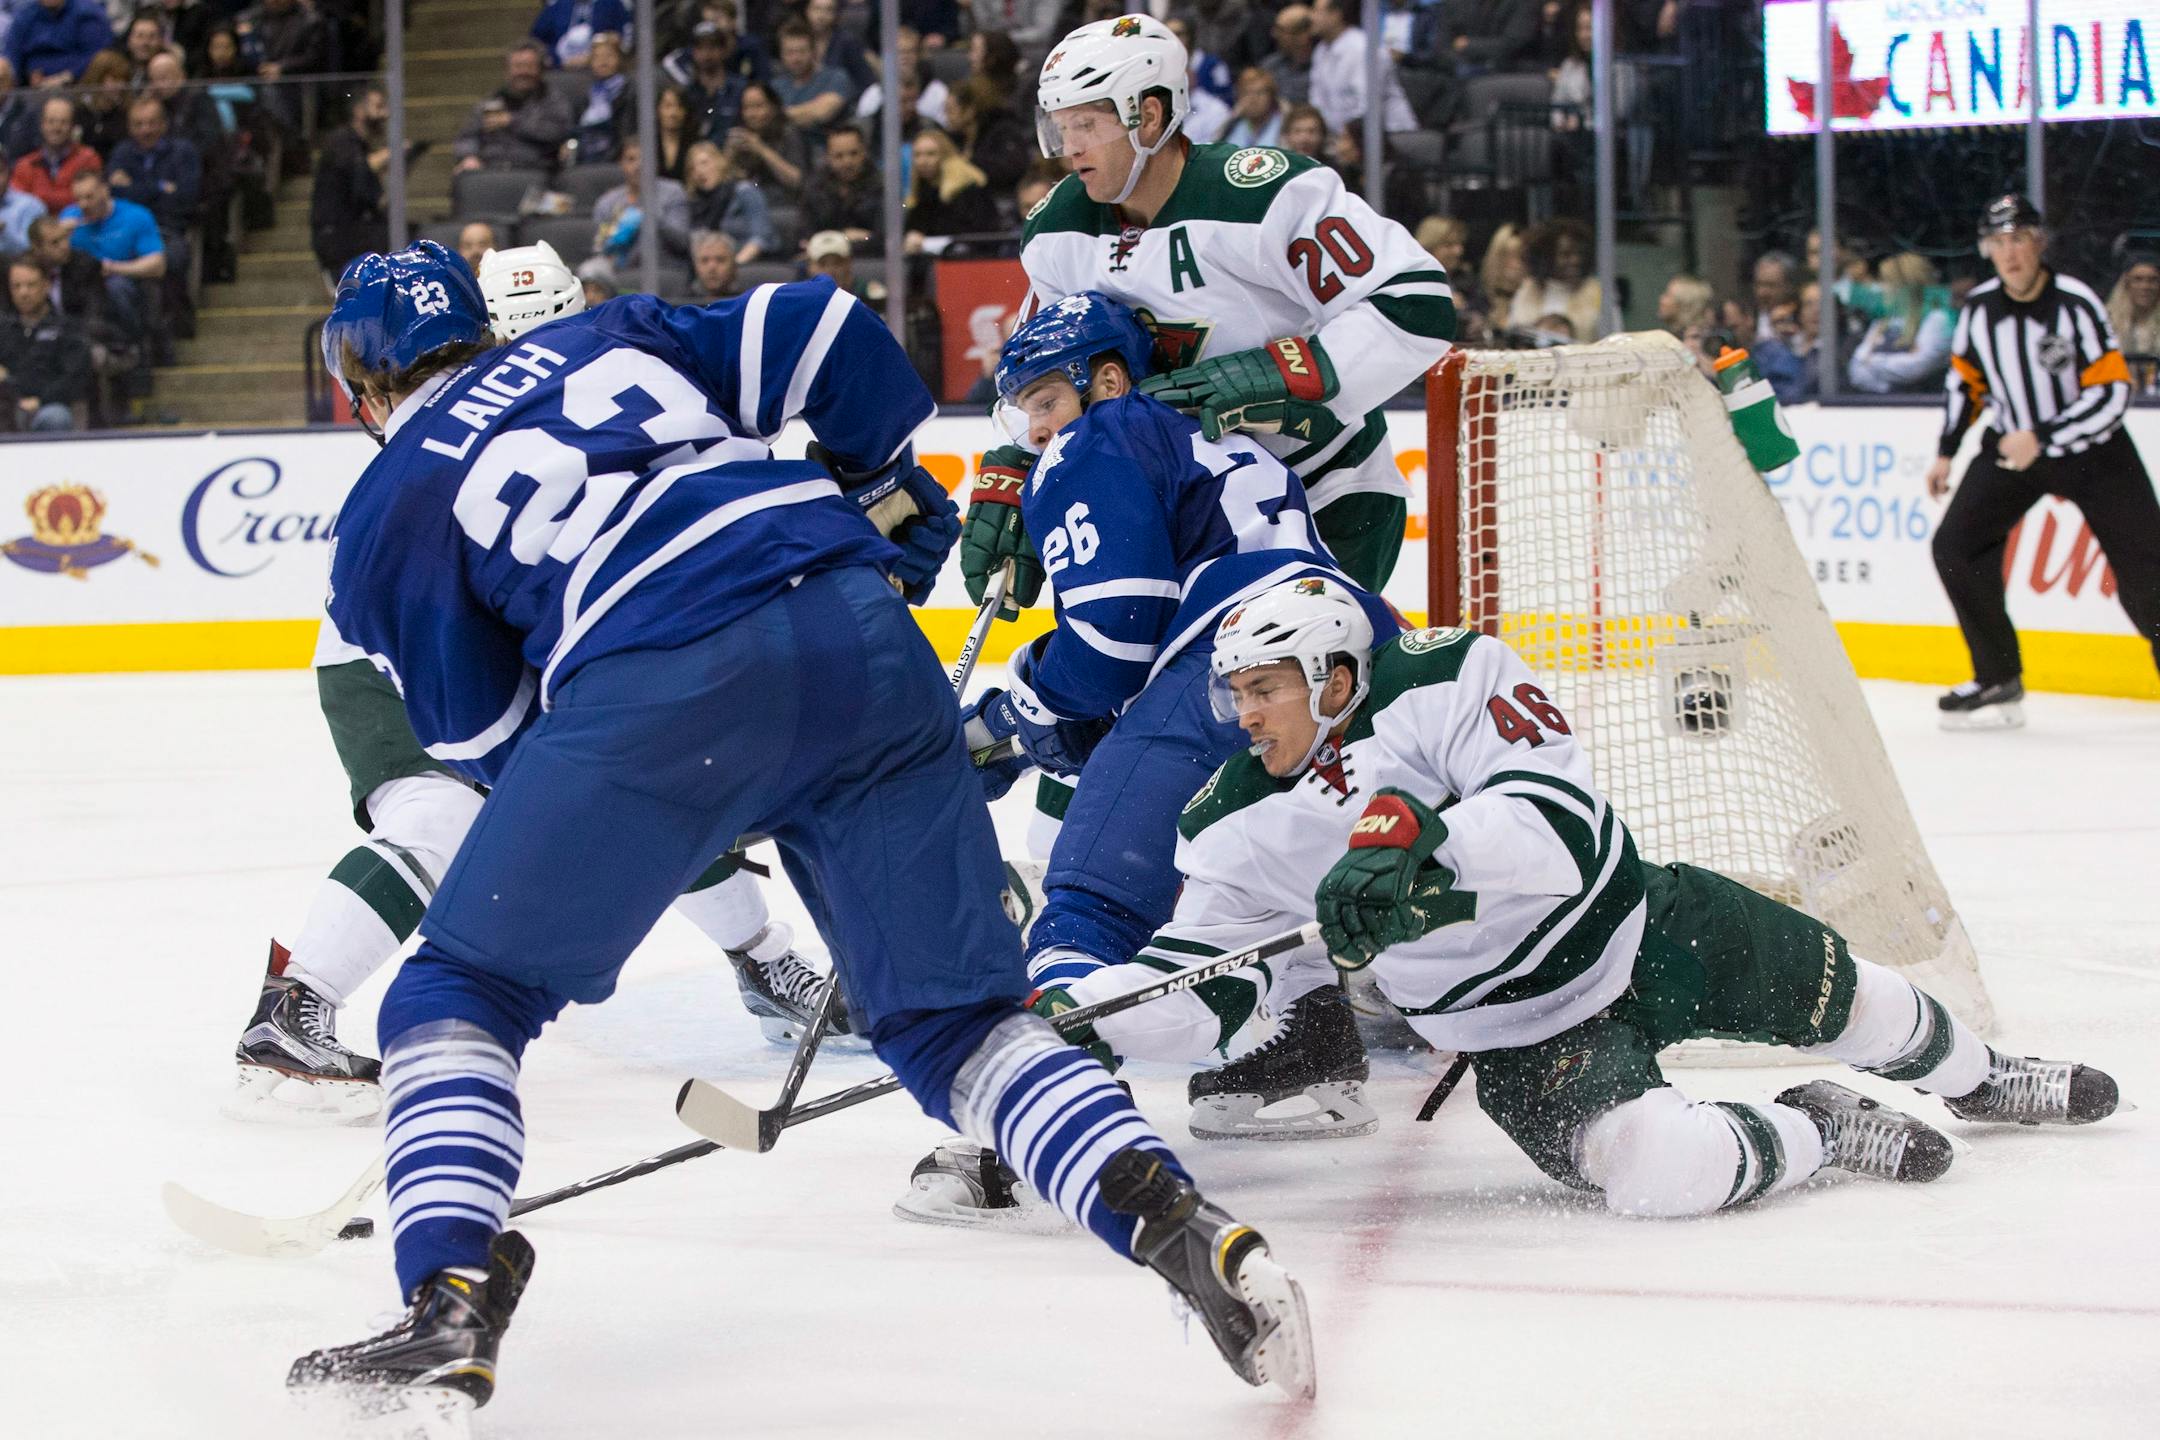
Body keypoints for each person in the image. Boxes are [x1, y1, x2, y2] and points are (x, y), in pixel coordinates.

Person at [286, 241, 1312, 1418]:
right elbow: (829, 330)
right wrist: (862, 483)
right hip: (865, 638)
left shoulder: (380, 513)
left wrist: (679, 802)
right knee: (959, 1026)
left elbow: (490, 744)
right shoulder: (607, 335)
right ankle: (1185, 1226)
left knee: (457, 991)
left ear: (363, 394)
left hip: (655, 691)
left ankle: (448, 1299)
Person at [944, 577, 2120, 1228]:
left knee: (1856, 999)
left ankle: (1981, 1080)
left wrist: (1424, 847)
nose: (1245, 717)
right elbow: (1220, 991)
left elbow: (1559, 827)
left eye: (1266, 690)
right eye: (1235, 694)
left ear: (1337, 679)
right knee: (1661, 1177)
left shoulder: (1454, 673)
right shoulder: (1229, 821)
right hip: (1518, 1040)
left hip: (1642, 923)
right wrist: (1098, 1012)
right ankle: (1819, 1128)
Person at [900, 292, 1401, 1220]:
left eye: (1047, 401)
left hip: (1237, 660)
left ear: (1110, 379)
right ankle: (1305, 1055)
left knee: (1090, 905)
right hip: (1360, 658)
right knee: (1255, 881)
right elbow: (1122, 685)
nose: (1037, 429)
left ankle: (1039, 1126)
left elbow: (1113, 642)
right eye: (1024, 412)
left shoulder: (1109, 432)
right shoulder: (1218, 443)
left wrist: (1000, 719)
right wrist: (1032, 737)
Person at [1007, 15, 1451, 601]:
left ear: (1151, 116)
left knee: (1280, 682)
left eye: (1086, 124)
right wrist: (1016, 473)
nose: (1069, 148)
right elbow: (1039, 373)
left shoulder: (1264, 196)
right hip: (1183, 507)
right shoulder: (1057, 230)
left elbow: (1416, 304)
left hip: (1322, 490)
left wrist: (1276, 371)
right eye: (1061, 127)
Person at [1926, 194, 2160, 725]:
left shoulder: (2075, 303)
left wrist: (2047, 437)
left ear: (2040, 244)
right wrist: (1946, 451)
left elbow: (2112, 392)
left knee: (2149, 572)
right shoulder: (1979, 311)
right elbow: (1967, 385)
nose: (2012, 253)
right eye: (2000, 243)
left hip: (2094, 452)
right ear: (1988, 250)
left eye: (2021, 240)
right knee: (1956, 547)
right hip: (2014, 448)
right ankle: (1997, 676)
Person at [59, 167, 164, 349]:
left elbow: (157, 264)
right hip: (79, 284)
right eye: (78, 199)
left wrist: (114, 267)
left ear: (105, 190)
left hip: (120, 280)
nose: (83, 205)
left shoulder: (135, 215)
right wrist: (59, 237)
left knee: (116, 287)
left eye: (89, 197)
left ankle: (133, 346)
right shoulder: (69, 218)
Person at [309, 85, 388, 292]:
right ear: (359, 111)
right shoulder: (341, 141)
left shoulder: (362, 146)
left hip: (361, 240)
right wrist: (393, 152)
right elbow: (359, 167)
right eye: (378, 107)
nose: (385, 113)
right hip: (339, 245)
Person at [453, 41, 574, 174]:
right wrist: (469, 156)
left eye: (529, 66)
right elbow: (467, 137)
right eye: (517, 66)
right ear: (507, 71)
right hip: (491, 169)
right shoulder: (491, 102)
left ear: (540, 69)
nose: (523, 72)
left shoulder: (553, 100)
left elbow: (557, 133)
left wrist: (512, 121)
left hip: (534, 169)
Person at [0, 254, 90, 430]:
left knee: (55, 418)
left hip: (50, 405)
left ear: (46, 285)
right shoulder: (4, 329)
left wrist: (41, 400)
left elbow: (74, 378)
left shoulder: (68, 329)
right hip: (8, 404)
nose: (23, 292)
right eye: (16, 286)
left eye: (30, 285)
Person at [1846, 251, 1951, 395]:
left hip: (1924, 406)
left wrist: (1872, 361)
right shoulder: (1882, 322)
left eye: (1888, 282)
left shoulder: (1937, 320)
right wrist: (1887, 388)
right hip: (1883, 403)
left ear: (1905, 286)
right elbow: (1856, 369)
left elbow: (1917, 367)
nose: (1883, 288)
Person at [1306, 0, 1416, 136]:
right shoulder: (1321, 50)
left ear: (1336, 15)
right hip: (1342, 138)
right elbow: (1317, 100)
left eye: (1316, 11)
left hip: (1390, 135)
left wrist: (1347, 136)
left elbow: (1368, 106)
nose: (1310, 17)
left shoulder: (1364, 49)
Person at [594, 136, 693, 268]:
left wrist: (650, 218)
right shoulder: (607, 202)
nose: (638, 165)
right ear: (621, 164)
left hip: (663, 270)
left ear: (655, 163)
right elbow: (599, 248)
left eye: (644, 159)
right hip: (620, 273)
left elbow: (682, 242)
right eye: (631, 159)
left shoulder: (673, 193)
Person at [902, 125, 996, 255]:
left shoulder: (968, 191)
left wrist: (925, 244)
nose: (923, 161)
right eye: (917, 155)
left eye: (931, 154)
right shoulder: (920, 194)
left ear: (946, 156)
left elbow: (975, 237)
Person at [1507, 216, 1603, 341]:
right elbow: (1514, 335)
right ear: (1547, 257)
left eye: (1580, 253)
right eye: (1566, 254)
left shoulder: (1597, 292)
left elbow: (1615, 341)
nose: (1575, 260)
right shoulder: (1527, 290)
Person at [682, 138, 774, 261]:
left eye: (704, 163)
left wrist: (734, 266)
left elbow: (760, 238)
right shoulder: (694, 203)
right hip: (712, 269)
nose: (698, 171)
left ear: (720, 163)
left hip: (750, 264)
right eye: (692, 168)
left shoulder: (745, 191)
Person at [797, 122, 880, 251]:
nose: (847, 162)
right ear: (827, 157)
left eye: (853, 153)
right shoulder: (814, 188)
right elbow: (806, 238)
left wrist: (866, 238)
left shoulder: (881, 187)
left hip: (869, 260)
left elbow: (884, 239)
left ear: (864, 152)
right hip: (824, 259)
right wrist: (843, 237)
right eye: (838, 156)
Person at [11, 94, 99, 214]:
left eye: (63, 122)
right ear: (42, 125)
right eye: (51, 121)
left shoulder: (88, 159)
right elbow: (18, 208)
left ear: (73, 127)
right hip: (35, 228)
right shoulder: (25, 165)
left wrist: (41, 199)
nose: (56, 128)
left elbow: (91, 200)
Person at [771, 18, 853, 142]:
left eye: (801, 51)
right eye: (789, 52)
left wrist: (778, 115)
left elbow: (822, 113)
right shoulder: (775, 86)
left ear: (814, 52)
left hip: (825, 150)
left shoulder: (836, 77)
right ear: (781, 55)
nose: (796, 58)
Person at [723, 80, 808, 197]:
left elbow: (797, 181)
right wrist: (729, 155)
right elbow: (724, 183)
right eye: (746, 108)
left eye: (758, 106)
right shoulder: (741, 137)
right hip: (746, 204)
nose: (751, 114)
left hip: (783, 204)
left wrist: (761, 149)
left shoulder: (788, 133)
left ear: (773, 107)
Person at [3, 0, 111, 91]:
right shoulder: (25, 16)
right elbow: (11, 57)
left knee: (56, 110)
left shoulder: (88, 13)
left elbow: (96, 57)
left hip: (78, 87)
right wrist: (23, 74)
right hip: (30, 89)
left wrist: (65, 77)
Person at [568, 29, 629, 162]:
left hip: (616, 151)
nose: (603, 61)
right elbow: (574, 128)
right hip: (586, 151)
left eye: (609, 56)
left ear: (619, 59)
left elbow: (626, 129)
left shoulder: (628, 90)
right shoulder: (585, 94)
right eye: (597, 57)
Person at [530, 0, 627, 70]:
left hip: (599, 73)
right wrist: (559, 61)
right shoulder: (557, 7)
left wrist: (595, 56)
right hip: (561, 72)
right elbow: (535, 41)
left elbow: (624, 39)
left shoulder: (612, 5)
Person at [2104, 251, 2159, 366]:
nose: (2145, 286)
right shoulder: (2107, 322)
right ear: (2126, 283)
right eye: (2138, 279)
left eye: (2153, 280)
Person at [1262, 4, 1316, 106]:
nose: (1274, 34)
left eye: (1281, 30)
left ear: (1302, 36)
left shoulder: (1319, 68)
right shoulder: (1270, 65)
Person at [1221, 65, 1285, 149]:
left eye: (1260, 93)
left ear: (1271, 96)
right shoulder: (1233, 124)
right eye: (1246, 93)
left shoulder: (1284, 123)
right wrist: (1231, 118)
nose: (1253, 99)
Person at [685, 226, 741, 299]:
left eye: (720, 260)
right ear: (694, 265)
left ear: (733, 265)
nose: (712, 267)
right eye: (704, 260)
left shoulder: (747, 304)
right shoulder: (680, 306)